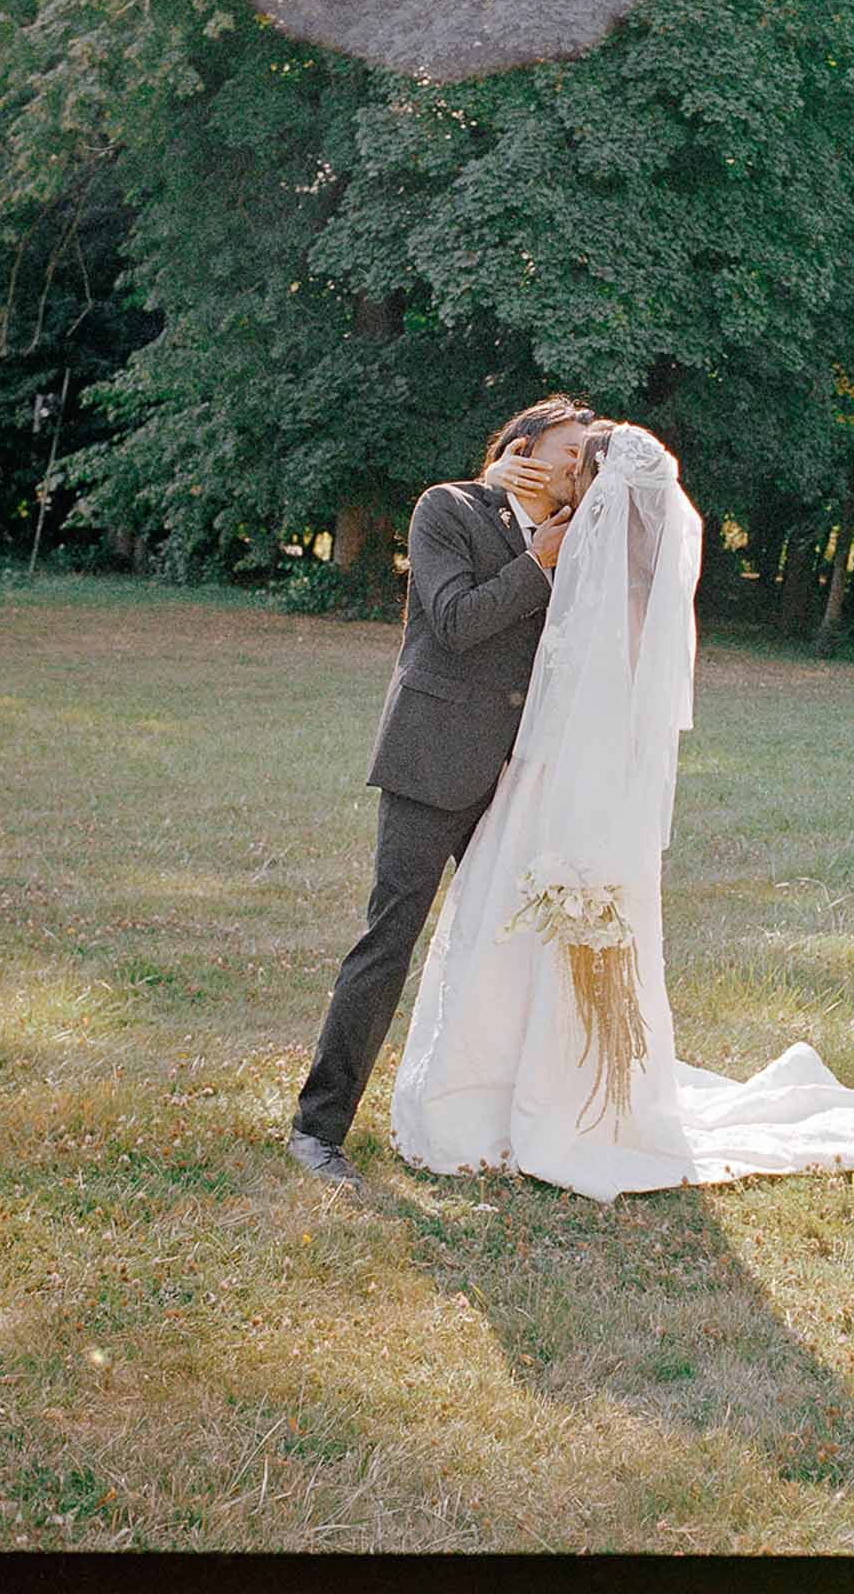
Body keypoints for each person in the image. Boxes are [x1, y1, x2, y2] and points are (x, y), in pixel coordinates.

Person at [391, 422, 854, 1202]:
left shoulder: (602, 583)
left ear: (600, 489)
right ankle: (514, 1095)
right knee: (503, 939)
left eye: (578, 466)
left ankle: (535, 1104)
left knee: (513, 936)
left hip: (560, 788)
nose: (564, 475)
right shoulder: (578, 560)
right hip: (540, 783)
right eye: (560, 458)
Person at [287, 395, 595, 1185]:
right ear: (523, 450)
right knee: (388, 943)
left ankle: (493, 1121)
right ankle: (317, 1129)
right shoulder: (447, 509)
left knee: (512, 952)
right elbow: (454, 621)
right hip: (434, 763)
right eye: (567, 453)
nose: (578, 467)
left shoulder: (585, 538)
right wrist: (536, 564)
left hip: (520, 780)